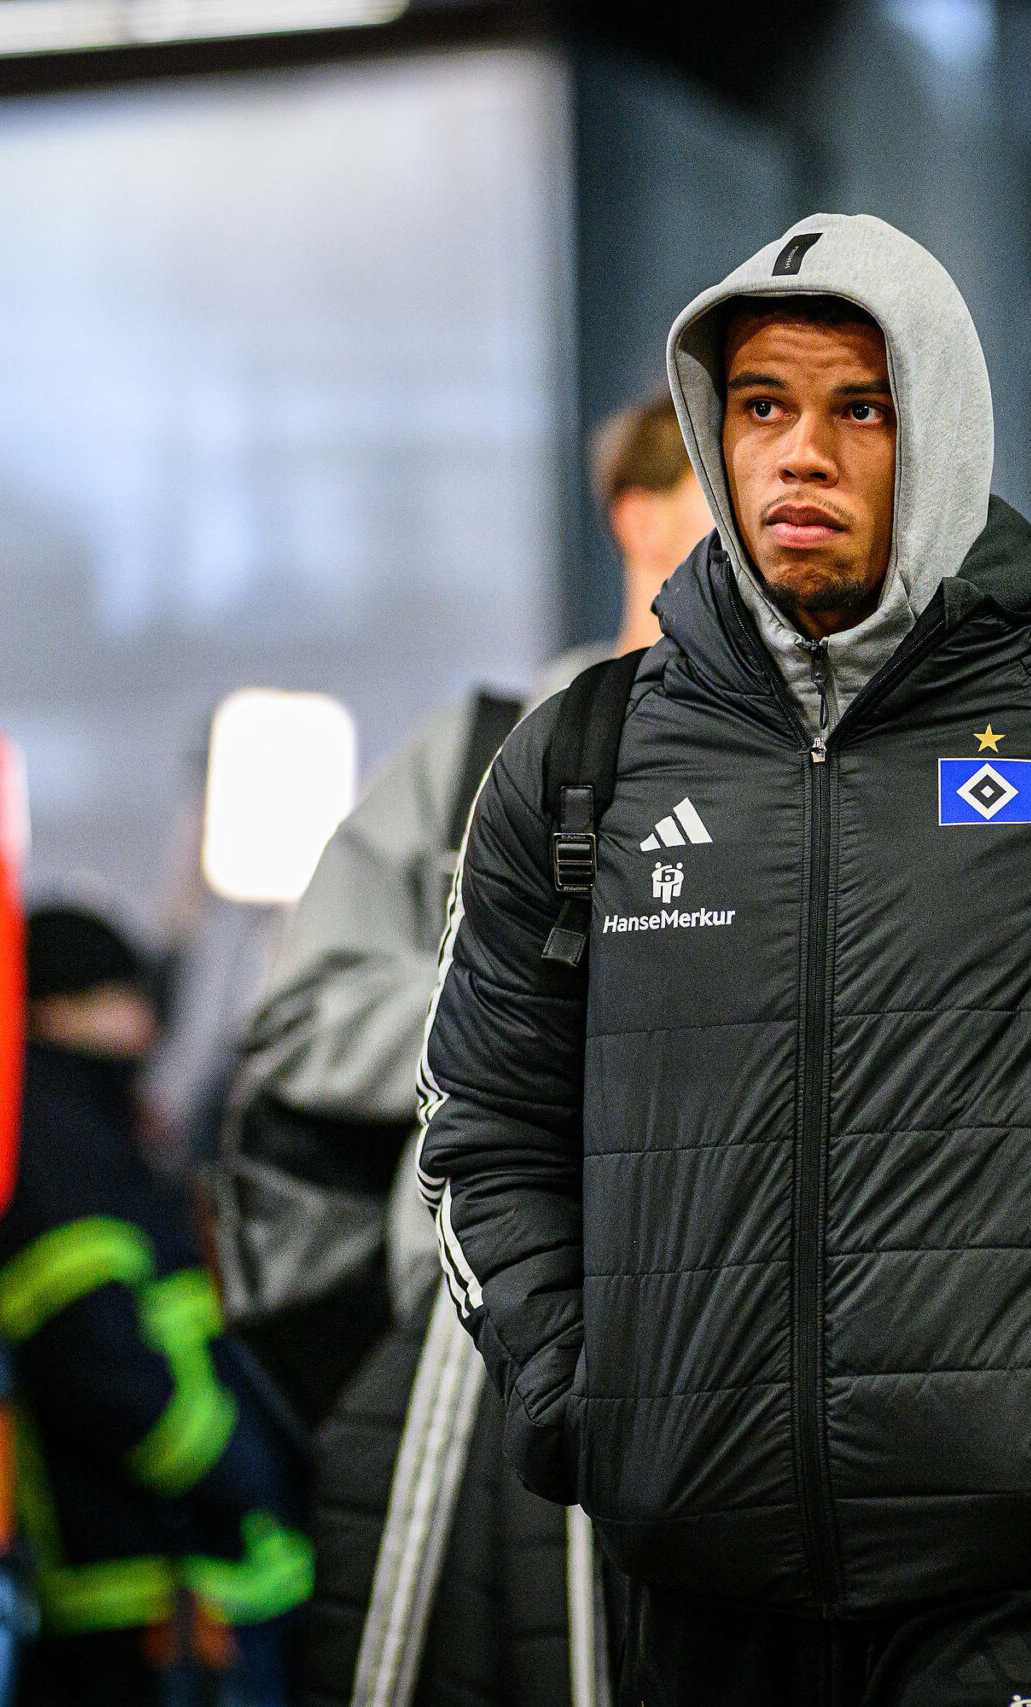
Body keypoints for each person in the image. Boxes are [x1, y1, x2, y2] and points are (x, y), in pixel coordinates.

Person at [415, 212, 1031, 1706]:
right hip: (697, 1573)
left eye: (861, 406)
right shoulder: (580, 756)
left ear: (947, 425)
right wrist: (582, 1399)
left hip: (1020, 1569)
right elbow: (478, 1123)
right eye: (761, 406)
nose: (800, 453)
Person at [228, 394, 711, 1707]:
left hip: (708, 1366)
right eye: (726, 480)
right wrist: (529, 1007)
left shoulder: (798, 778)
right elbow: (300, 1017)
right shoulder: (482, 751)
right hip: (465, 1344)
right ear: (641, 516)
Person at [0, 905, 311, 1707]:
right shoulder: (52, 1142)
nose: (145, 1030)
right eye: (123, 999)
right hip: (163, 1594)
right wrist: (240, 1469)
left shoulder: (66, 1132)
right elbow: (102, 1356)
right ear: (57, 1009)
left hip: (173, 1585)